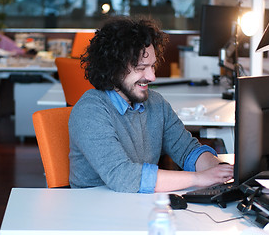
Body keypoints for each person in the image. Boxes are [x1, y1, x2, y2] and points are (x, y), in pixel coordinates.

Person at [68, 16, 233, 193]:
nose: (152, 76)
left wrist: (221, 171)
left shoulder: (156, 103)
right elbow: (123, 176)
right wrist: (199, 178)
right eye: (141, 68)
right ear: (113, 68)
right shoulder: (89, 111)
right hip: (92, 210)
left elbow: (187, 150)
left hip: (138, 204)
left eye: (152, 66)